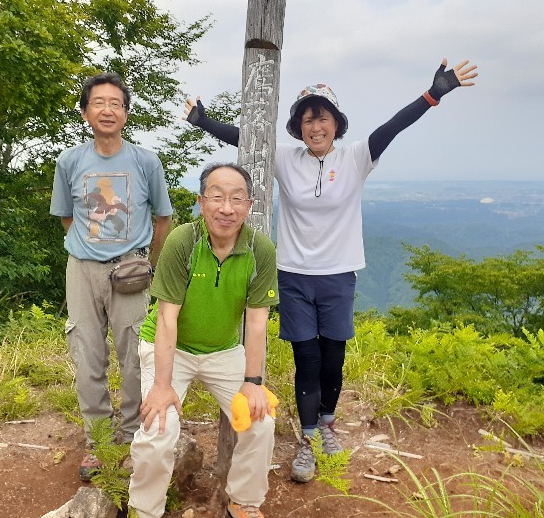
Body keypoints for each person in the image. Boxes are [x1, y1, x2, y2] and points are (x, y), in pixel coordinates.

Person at [182, 58, 478, 483]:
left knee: (333, 357)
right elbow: (246, 139)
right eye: (306, 120)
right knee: (306, 356)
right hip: (295, 274)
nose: (314, 126)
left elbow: (392, 127)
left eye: (322, 118)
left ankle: (327, 424)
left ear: (336, 123)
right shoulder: (287, 160)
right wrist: (203, 122)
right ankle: (306, 440)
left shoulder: (357, 157)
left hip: (339, 274)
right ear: (298, 127)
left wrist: (432, 95)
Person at [127, 163, 279, 518]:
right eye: (217, 196)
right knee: (158, 424)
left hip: (224, 351)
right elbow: (165, 317)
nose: (226, 207)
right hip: (169, 350)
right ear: (201, 202)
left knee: (260, 420)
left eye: (236, 198)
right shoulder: (183, 241)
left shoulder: (260, 250)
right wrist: (162, 386)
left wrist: (253, 381)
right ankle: (145, 512)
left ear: (248, 205)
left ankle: (243, 502)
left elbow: (257, 323)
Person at [50, 72, 173, 481]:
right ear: (85, 112)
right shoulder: (69, 161)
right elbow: (68, 218)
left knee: (135, 356)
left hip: (132, 271)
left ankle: (132, 435)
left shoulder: (144, 161)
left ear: (126, 113)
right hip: (82, 270)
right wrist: (88, 252)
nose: (108, 109)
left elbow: (163, 217)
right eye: (99, 102)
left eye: (116, 103)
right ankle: (99, 443)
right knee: (87, 356)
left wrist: (146, 262)